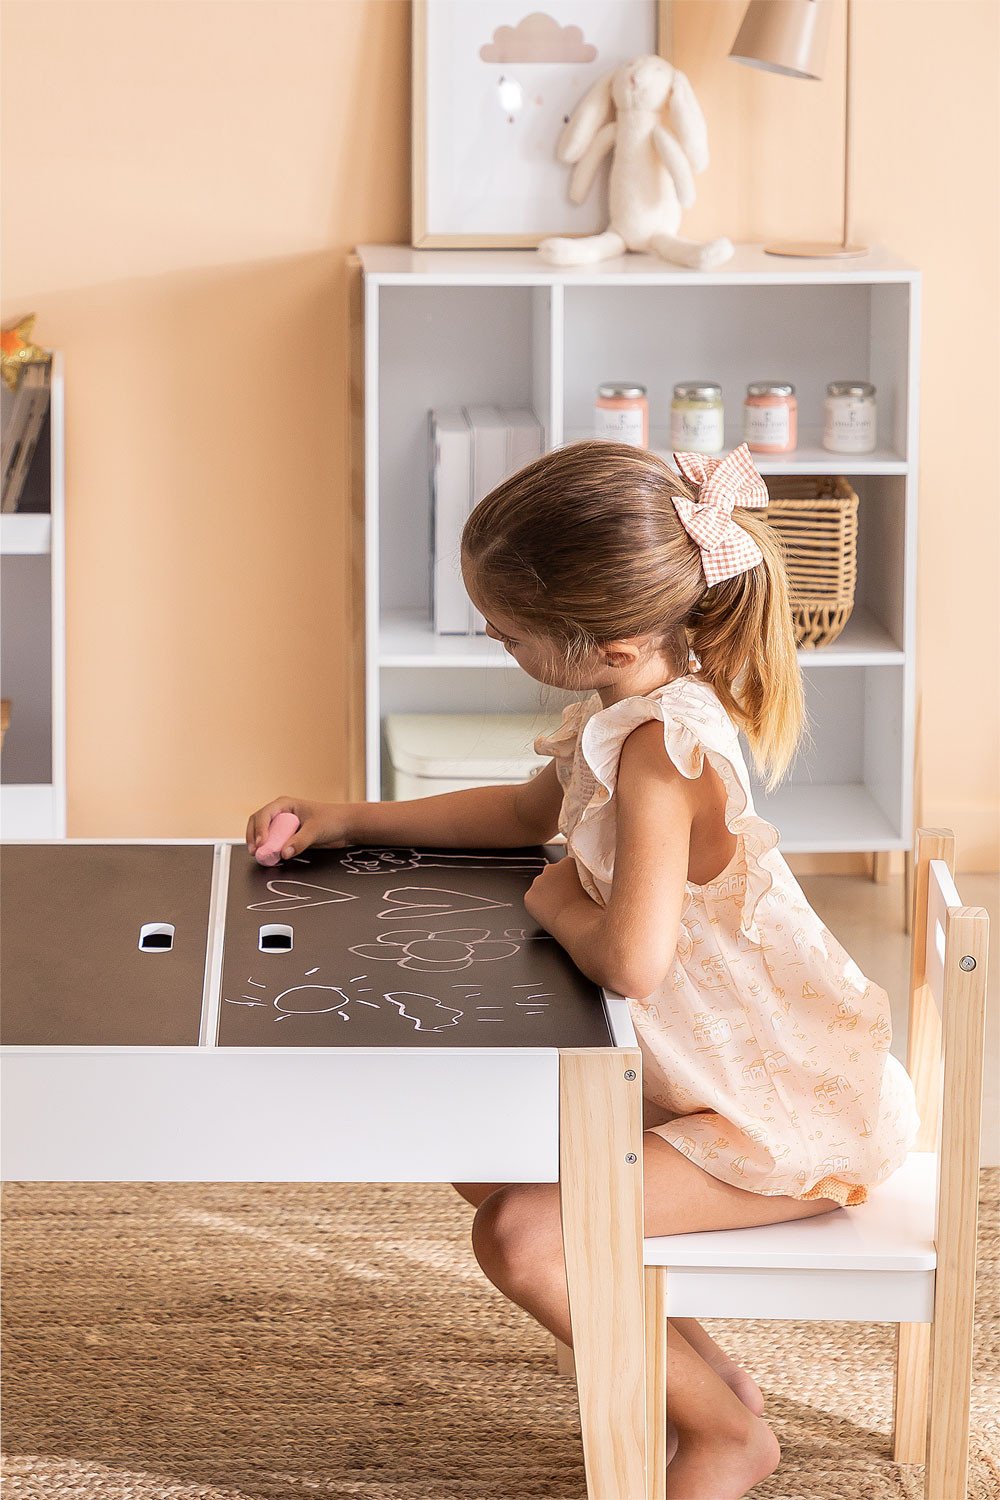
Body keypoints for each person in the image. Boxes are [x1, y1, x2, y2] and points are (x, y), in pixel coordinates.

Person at [247, 440, 920, 1500]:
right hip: (713, 1082)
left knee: (522, 1236)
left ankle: (725, 1439)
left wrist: (557, 897)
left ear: (606, 645)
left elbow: (632, 960)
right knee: (481, 1139)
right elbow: (529, 811)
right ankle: (695, 1377)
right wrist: (351, 816)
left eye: (509, 633)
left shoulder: (663, 754)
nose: (493, 640)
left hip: (784, 1116)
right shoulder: (628, 708)